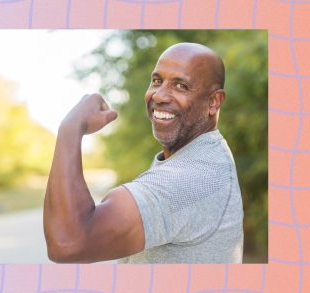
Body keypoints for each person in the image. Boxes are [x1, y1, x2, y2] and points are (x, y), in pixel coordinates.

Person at [43, 42, 243, 263]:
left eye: (180, 86)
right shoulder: (204, 155)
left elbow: (68, 243)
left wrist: (70, 128)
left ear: (214, 102)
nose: (159, 96)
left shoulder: (193, 178)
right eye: (157, 81)